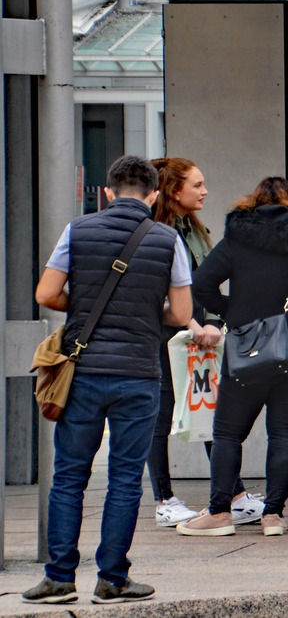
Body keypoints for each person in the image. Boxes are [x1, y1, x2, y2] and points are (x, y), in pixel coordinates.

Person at [24, 156, 191, 605]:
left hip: (83, 374)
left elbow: (45, 293)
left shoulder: (77, 231)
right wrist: (141, 314)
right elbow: (181, 314)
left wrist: (85, 307)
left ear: (109, 192)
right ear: (155, 195)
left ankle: (59, 578)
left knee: (69, 477)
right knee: (124, 478)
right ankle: (112, 579)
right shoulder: (168, 239)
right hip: (138, 374)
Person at [179, 178, 288, 537]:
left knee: (227, 433)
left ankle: (219, 513)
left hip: (250, 348)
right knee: (285, 432)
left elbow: (201, 284)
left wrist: (233, 311)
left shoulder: (238, 239)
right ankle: (273, 516)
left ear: (253, 203)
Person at [143, 159, 260, 529]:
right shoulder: (157, 232)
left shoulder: (192, 229)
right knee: (160, 415)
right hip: (167, 336)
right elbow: (159, 292)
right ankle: (164, 499)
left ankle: (233, 495)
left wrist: (212, 323)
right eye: (197, 185)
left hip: (201, 335)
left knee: (211, 409)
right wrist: (193, 323)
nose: (204, 191)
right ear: (174, 190)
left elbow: (205, 283)